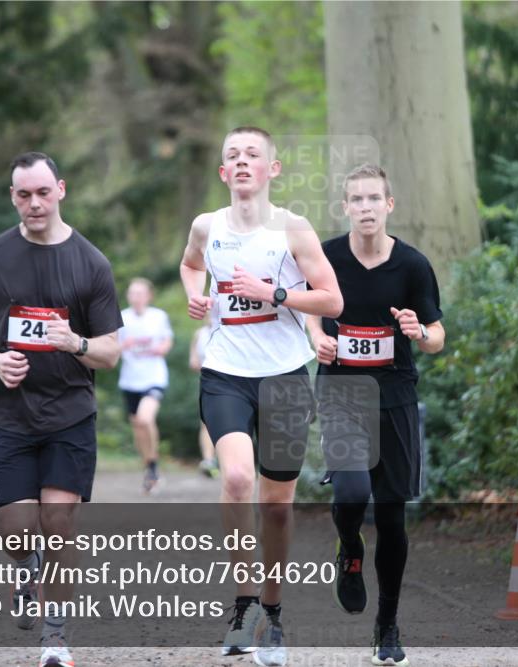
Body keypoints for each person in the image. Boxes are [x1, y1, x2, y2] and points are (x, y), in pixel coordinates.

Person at [179, 126, 343, 666]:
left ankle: (272, 612)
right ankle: (244, 604)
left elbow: (332, 299)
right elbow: (190, 265)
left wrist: (273, 292)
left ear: (272, 169)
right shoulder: (206, 226)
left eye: (253, 154)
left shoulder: (293, 229)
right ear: (224, 173)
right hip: (225, 371)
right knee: (236, 478)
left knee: (277, 506)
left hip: (285, 376)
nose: (242, 161)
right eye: (233, 156)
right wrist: (194, 296)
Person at [0, 151, 122, 667]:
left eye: (42, 193)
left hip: (70, 415)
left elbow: (111, 351)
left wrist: (74, 342)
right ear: (12, 197)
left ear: (61, 190)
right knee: (15, 529)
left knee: (59, 523)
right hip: (7, 415)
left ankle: (55, 639)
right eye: (24, 194)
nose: (34, 203)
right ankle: (25, 570)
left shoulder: (91, 263)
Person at [306, 164, 444, 667]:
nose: (364, 207)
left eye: (373, 199)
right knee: (350, 494)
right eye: (355, 199)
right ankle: (348, 548)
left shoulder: (412, 265)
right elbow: (307, 305)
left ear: (389, 205)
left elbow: (436, 337)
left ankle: (387, 625)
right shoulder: (326, 256)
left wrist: (417, 332)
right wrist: (316, 336)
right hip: (343, 393)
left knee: (390, 515)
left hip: (396, 397)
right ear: (345, 207)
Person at [117, 277, 173, 493]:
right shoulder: (121, 318)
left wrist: (162, 348)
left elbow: (168, 340)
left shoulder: (159, 316)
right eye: (132, 293)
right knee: (138, 426)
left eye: (140, 293)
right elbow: (111, 348)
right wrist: (124, 345)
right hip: (130, 380)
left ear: (149, 295)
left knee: (145, 418)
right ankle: (150, 467)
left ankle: (153, 465)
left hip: (154, 378)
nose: (136, 298)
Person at [188, 322, 219, 477]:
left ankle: (225, 461)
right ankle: (209, 460)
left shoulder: (227, 329)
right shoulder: (199, 334)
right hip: (207, 381)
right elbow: (193, 362)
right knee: (206, 422)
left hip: (231, 381)